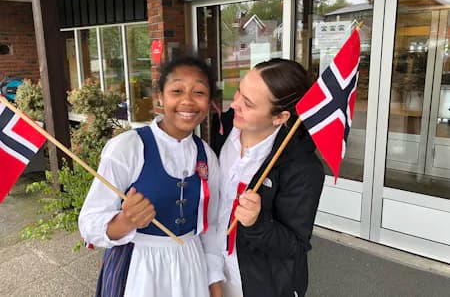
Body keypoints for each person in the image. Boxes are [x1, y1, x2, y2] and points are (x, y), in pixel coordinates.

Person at [79, 56, 223, 297]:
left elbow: (211, 226)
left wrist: (214, 283)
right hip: (139, 267)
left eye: (199, 92)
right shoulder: (127, 148)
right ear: (160, 96)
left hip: (190, 263)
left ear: (209, 102)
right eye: (177, 90)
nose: (187, 100)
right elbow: (88, 225)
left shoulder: (207, 157)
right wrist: (126, 220)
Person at [211, 58, 325, 297]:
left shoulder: (301, 167)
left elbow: (295, 245)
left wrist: (256, 223)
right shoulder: (220, 131)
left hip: (258, 283)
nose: (235, 104)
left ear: (281, 117)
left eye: (249, 104)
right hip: (210, 269)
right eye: (239, 92)